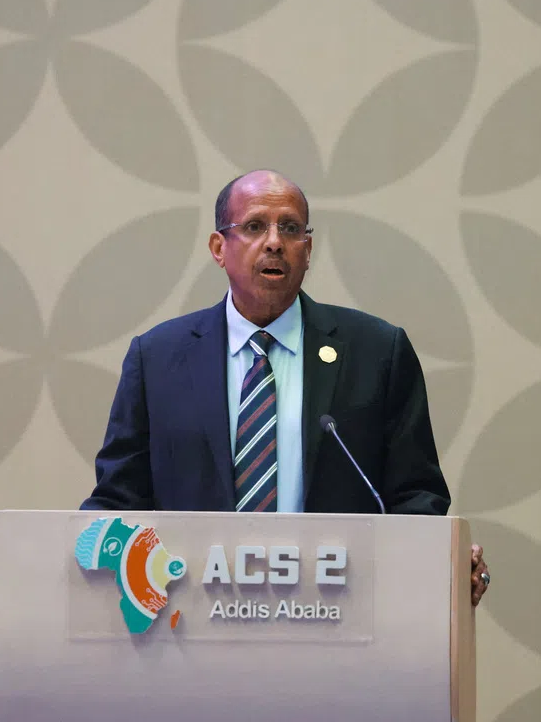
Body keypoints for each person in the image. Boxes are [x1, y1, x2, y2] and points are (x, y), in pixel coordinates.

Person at [81, 170, 490, 605]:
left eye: (291, 228)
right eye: (255, 226)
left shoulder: (377, 352)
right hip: (191, 615)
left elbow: (415, 496)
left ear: (307, 250)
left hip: (336, 613)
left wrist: (439, 558)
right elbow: (118, 499)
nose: (275, 241)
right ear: (219, 248)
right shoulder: (158, 358)